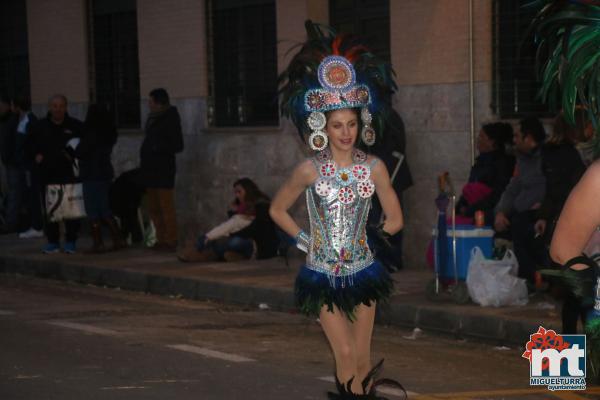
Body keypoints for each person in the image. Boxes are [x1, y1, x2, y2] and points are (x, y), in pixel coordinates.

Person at [272, 22, 405, 398]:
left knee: (361, 359)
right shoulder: (309, 169)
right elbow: (278, 210)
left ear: (360, 124)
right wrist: (305, 241)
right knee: (343, 351)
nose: (345, 132)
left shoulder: (374, 167)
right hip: (320, 273)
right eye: (337, 125)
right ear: (323, 127)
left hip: (364, 271)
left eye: (351, 123)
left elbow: (396, 219)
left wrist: (375, 239)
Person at [494, 117, 547, 286]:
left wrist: (544, 207)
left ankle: (534, 278)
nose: (514, 140)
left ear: (529, 139)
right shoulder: (522, 160)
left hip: (542, 212)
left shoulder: (548, 158)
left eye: (517, 136)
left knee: (521, 225)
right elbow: (513, 188)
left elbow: (554, 188)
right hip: (521, 210)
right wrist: (501, 212)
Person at [29, 94, 84, 254]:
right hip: (47, 175)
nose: (58, 109)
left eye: (61, 106)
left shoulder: (75, 126)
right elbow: (28, 146)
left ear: (66, 107)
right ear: (49, 107)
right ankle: (52, 241)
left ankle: (71, 241)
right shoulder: (39, 127)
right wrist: (35, 155)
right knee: (50, 209)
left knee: (71, 210)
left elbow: (85, 145)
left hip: (69, 175)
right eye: (55, 106)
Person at [178, 178, 279, 262]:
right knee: (227, 240)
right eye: (235, 192)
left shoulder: (261, 204)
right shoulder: (242, 207)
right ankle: (234, 255)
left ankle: (205, 252)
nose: (237, 195)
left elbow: (256, 228)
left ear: (248, 190)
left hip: (259, 245)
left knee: (233, 242)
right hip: (246, 238)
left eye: (239, 192)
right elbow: (234, 224)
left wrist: (233, 234)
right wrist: (233, 212)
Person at [139, 88, 183, 252]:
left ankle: (171, 239)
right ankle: (161, 238)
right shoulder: (153, 118)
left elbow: (178, 145)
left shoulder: (170, 118)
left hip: (163, 169)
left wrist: (157, 147)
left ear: (159, 103)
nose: (149, 105)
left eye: (151, 101)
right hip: (150, 169)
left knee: (166, 206)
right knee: (154, 207)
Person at [76, 104, 124, 253]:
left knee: (93, 210)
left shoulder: (91, 133)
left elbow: (80, 151)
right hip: (104, 174)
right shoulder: (108, 132)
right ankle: (118, 240)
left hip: (91, 174)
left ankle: (98, 242)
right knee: (105, 208)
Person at [456, 122, 515, 225]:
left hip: (488, 213)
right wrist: (461, 206)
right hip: (471, 211)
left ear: (492, 142)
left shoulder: (503, 164)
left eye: (482, 136)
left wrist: (471, 209)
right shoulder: (479, 163)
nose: (478, 139)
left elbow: (497, 194)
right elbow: (468, 190)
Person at [12, 94, 42, 239]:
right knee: (29, 195)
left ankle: (37, 226)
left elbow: (32, 143)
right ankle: (33, 224)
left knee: (33, 195)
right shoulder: (24, 120)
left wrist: (29, 157)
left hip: (29, 165)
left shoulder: (30, 121)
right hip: (25, 164)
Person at [0, 93, 19, 233]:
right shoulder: (7, 120)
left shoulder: (12, 120)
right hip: (6, 160)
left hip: (11, 162)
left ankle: (10, 222)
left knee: (13, 192)